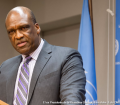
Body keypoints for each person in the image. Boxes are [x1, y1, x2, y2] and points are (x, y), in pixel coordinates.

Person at [0, 6, 86, 105]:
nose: (18, 36)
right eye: (11, 32)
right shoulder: (4, 68)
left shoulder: (67, 58)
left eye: (23, 28)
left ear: (37, 28)